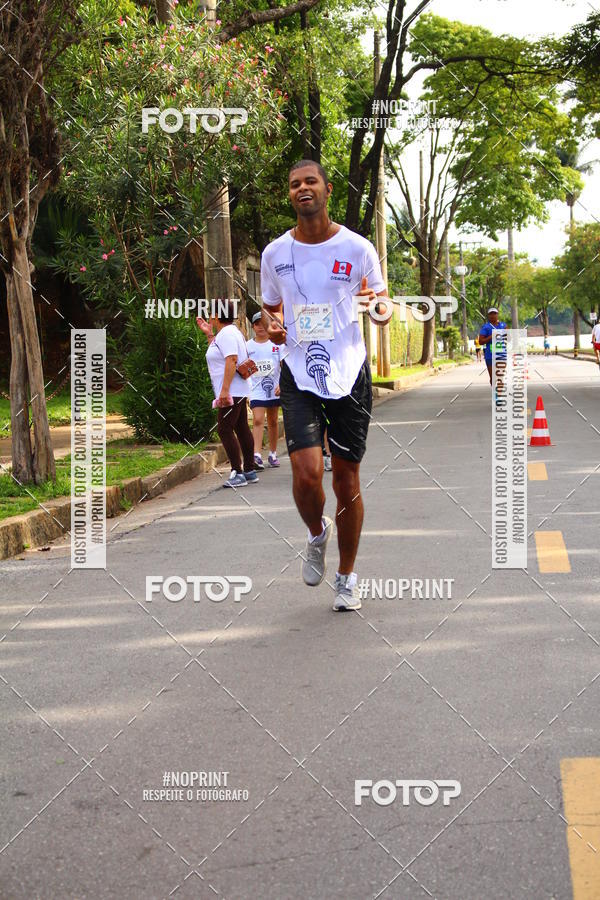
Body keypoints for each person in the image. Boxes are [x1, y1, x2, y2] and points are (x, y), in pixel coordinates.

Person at [259, 159, 393, 611]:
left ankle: (347, 577)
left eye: (310, 181)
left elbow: (382, 307)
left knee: (348, 481)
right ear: (290, 194)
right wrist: (273, 326)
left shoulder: (358, 248)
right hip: (298, 371)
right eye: (294, 184)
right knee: (307, 473)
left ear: (327, 189)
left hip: (349, 370)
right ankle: (316, 534)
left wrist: (377, 307)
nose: (302, 189)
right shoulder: (275, 253)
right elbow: (269, 309)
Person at [197, 303, 258, 488]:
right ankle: (248, 470)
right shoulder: (227, 333)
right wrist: (209, 333)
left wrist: (224, 390)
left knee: (224, 429)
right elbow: (218, 354)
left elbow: (231, 360)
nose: (209, 316)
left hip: (231, 391)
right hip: (236, 389)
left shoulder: (228, 334)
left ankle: (238, 472)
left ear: (217, 315)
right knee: (240, 427)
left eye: (211, 313)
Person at [247, 311, 281, 469]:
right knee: (258, 419)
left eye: (263, 324)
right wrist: (247, 389)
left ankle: (273, 453)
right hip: (256, 388)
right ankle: (257, 454)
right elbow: (244, 368)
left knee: (273, 420)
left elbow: (283, 365)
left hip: (274, 388)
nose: (260, 327)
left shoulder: (276, 344)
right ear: (253, 327)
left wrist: (282, 384)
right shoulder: (248, 346)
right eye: (257, 324)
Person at [478, 307, 507, 388]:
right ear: (488, 316)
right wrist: (492, 336)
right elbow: (480, 341)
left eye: (495, 313)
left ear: (497, 315)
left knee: (500, 376)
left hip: (501, 354)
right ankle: (495, 392)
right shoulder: (486, 327)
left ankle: (500, 397)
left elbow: (509, 338)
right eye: (491, 314)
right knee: (493, 378)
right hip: (490, 355)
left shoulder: (503, 325)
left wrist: (505, 335)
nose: (493, 315)